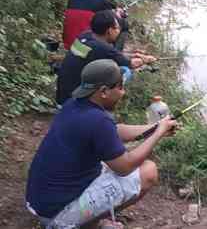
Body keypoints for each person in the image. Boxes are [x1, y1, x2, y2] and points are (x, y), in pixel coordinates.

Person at [26, 59, 178, 229]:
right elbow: (125, 167)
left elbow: (115, 130)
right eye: (120, 87)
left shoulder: (75, 104)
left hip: (39, 202)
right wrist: (158, 134)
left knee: (112, 159)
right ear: (104, 91)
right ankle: (85, 223)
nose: (123, 92)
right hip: (56, 215)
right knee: (148, 171)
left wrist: (155, 127)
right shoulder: (98, 121)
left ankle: (88, 217)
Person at [56, 10, 156, 105]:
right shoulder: (103, 48)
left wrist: (135, 55)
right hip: (75, 100)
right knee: (125, 70)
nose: (119, 30)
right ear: (109, 31)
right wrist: (146, 60)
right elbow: (132, 64)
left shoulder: (85, 35)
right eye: (117, 28)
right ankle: (101, 101)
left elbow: (113, 54)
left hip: (62, 95)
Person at [63, 0, 128, 50]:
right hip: (86, 47)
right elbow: (112, 21)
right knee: (124, 24)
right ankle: (115, 53)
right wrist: (118, 14)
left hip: (70, 45)